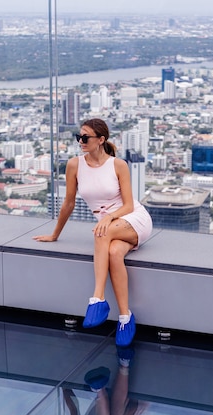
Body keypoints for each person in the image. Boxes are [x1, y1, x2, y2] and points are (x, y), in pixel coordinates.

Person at [33, 118, 153, 347]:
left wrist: (108, 217)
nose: (81, 141)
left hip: (133, 219)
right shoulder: (74, 165)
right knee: (115, 253)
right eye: (79, 137)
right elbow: (68, 203)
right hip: (111, 228)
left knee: (101, 234)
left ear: (101, 140)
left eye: (85, 137)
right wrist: (55, 234)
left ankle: (97, 298)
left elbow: (128, 205)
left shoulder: (118, 165)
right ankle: (126, 318)